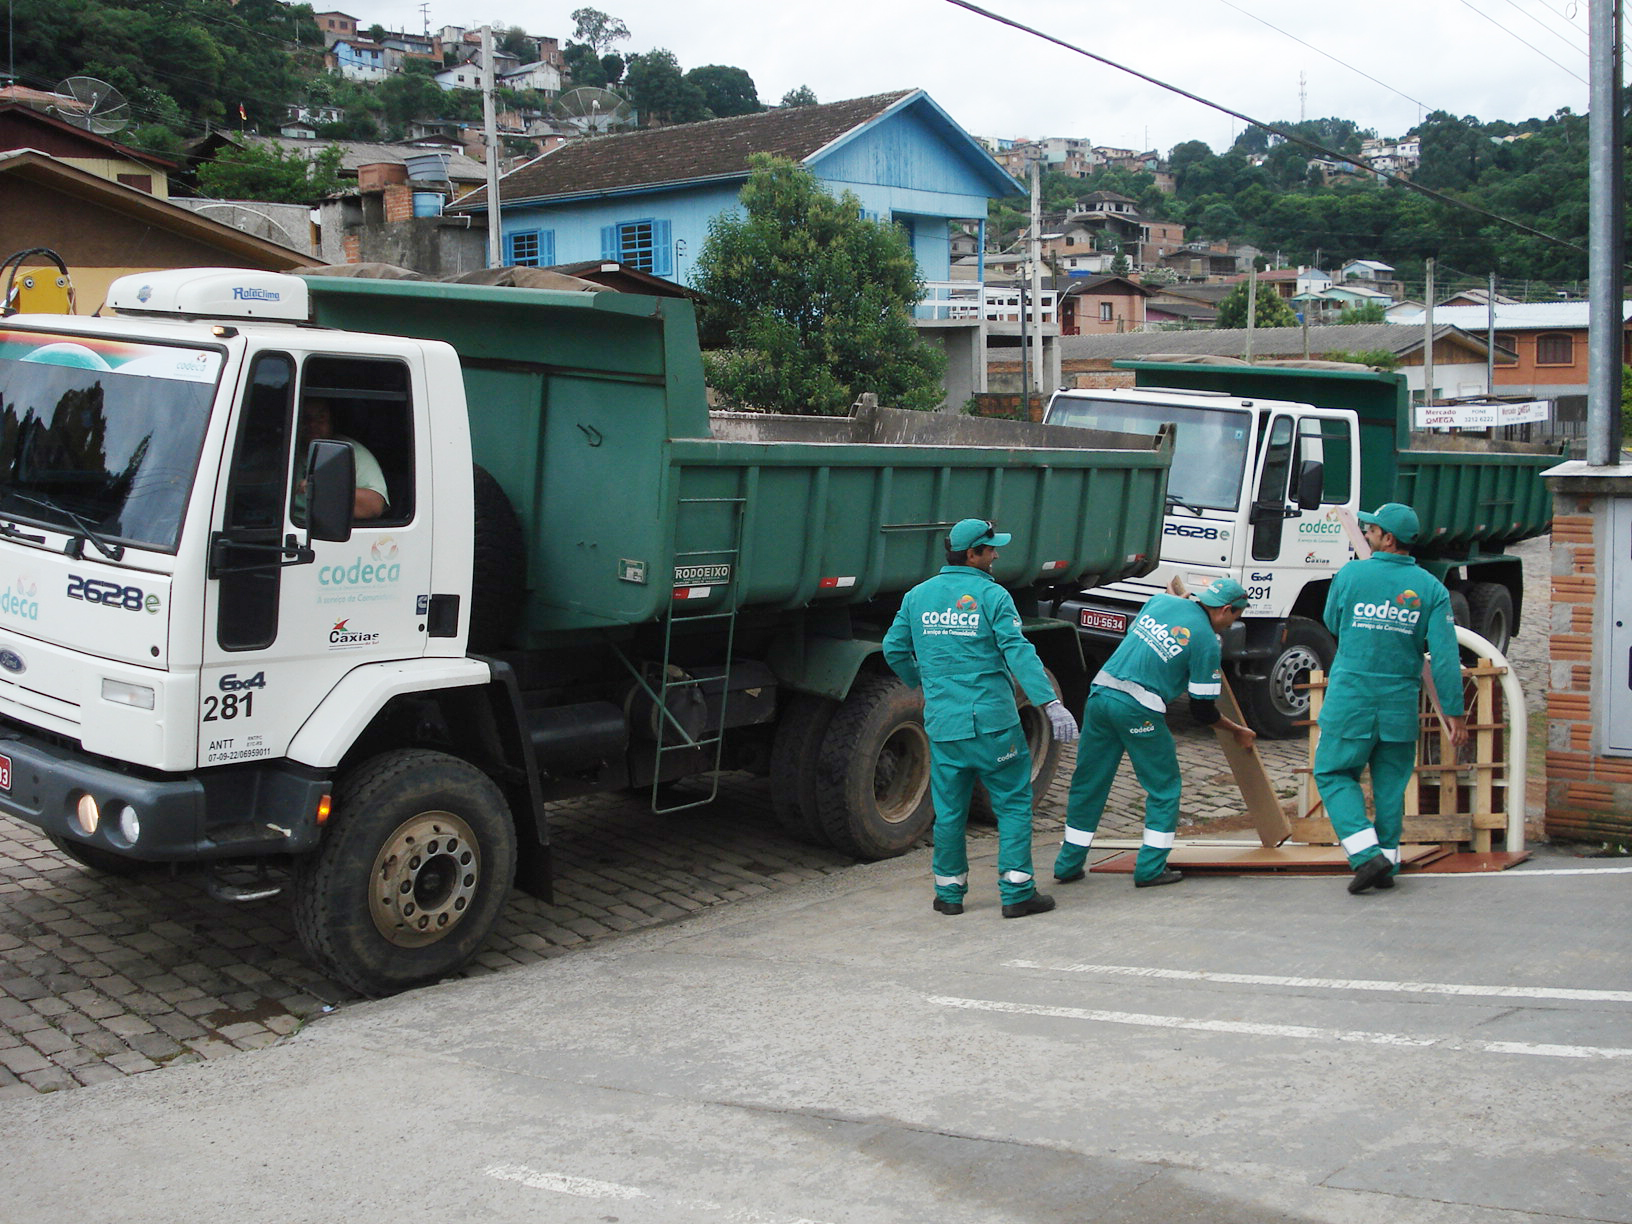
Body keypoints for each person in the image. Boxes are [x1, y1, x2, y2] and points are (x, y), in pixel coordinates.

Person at [883, 517, 1080, 919]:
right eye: (990, 549)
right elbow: (1017, 651)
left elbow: (893, 649)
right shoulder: (994, 597)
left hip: (944, 724)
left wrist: (924, 683)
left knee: (950, 810)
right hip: (994, 726)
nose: (996, 554)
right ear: (972, 554)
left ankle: (949, 894)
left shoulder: (918, 596)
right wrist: (1050, 703)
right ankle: (1017, 892)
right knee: (1011, 804)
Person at [1052, 576, 1255, 888]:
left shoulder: (1163, 602)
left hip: (1101, 695)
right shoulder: (1206, 641)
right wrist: (1237, 730)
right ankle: (1150, 869)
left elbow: (1147, 627)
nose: (1229, 627)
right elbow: (1202, 711)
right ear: (1226, 609)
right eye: (1234, 619)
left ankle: (1068, 864)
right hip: (1139, 709)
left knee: (1088, 783)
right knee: (1164, 788)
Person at [1314, 502, 1466, 895]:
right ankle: (1387, 864)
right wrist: (1454, 713)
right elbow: (1446, 657)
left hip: (1352, 699)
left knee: (1333, 773)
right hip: (1399, 705)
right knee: (1390, 787)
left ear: (1388, 538)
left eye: (1372, 529)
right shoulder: (1432, 589)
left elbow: (1332, 622)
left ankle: (1366, 857)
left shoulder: (1351, 573)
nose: (1366, 534)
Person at [296, 396, 388, 521]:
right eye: (306, 418)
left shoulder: (351, 452)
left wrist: (320, 488)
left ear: (332, 420)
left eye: (321, 417)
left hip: (325, 533)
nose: (312, 424)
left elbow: (374, 505)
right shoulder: (285, 449)